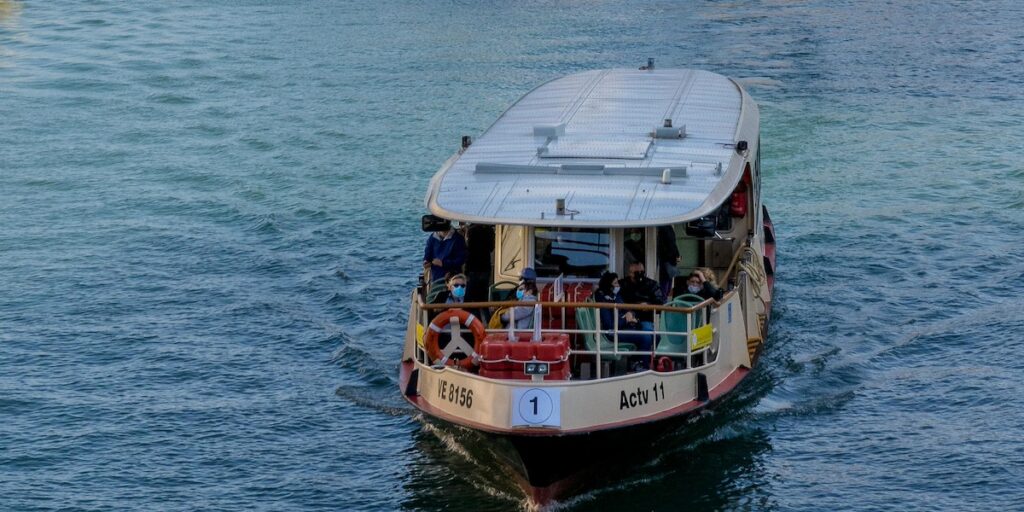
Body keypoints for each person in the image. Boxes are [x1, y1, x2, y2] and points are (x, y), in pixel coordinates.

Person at [463, 223, 494, 303]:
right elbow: (491, 248)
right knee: (483, 296)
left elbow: (467, 249)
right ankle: (483, 313)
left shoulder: (471, 230)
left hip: (472, 267)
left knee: (470, 296)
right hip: (485, 266)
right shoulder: (489, 229)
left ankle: (471, 314)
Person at [657, 225, 681, 297]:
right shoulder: (669, 229)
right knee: (667, 285)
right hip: (670, 262)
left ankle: (663, 300)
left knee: (664, 285)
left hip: (665, 261)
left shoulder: (663, 231)